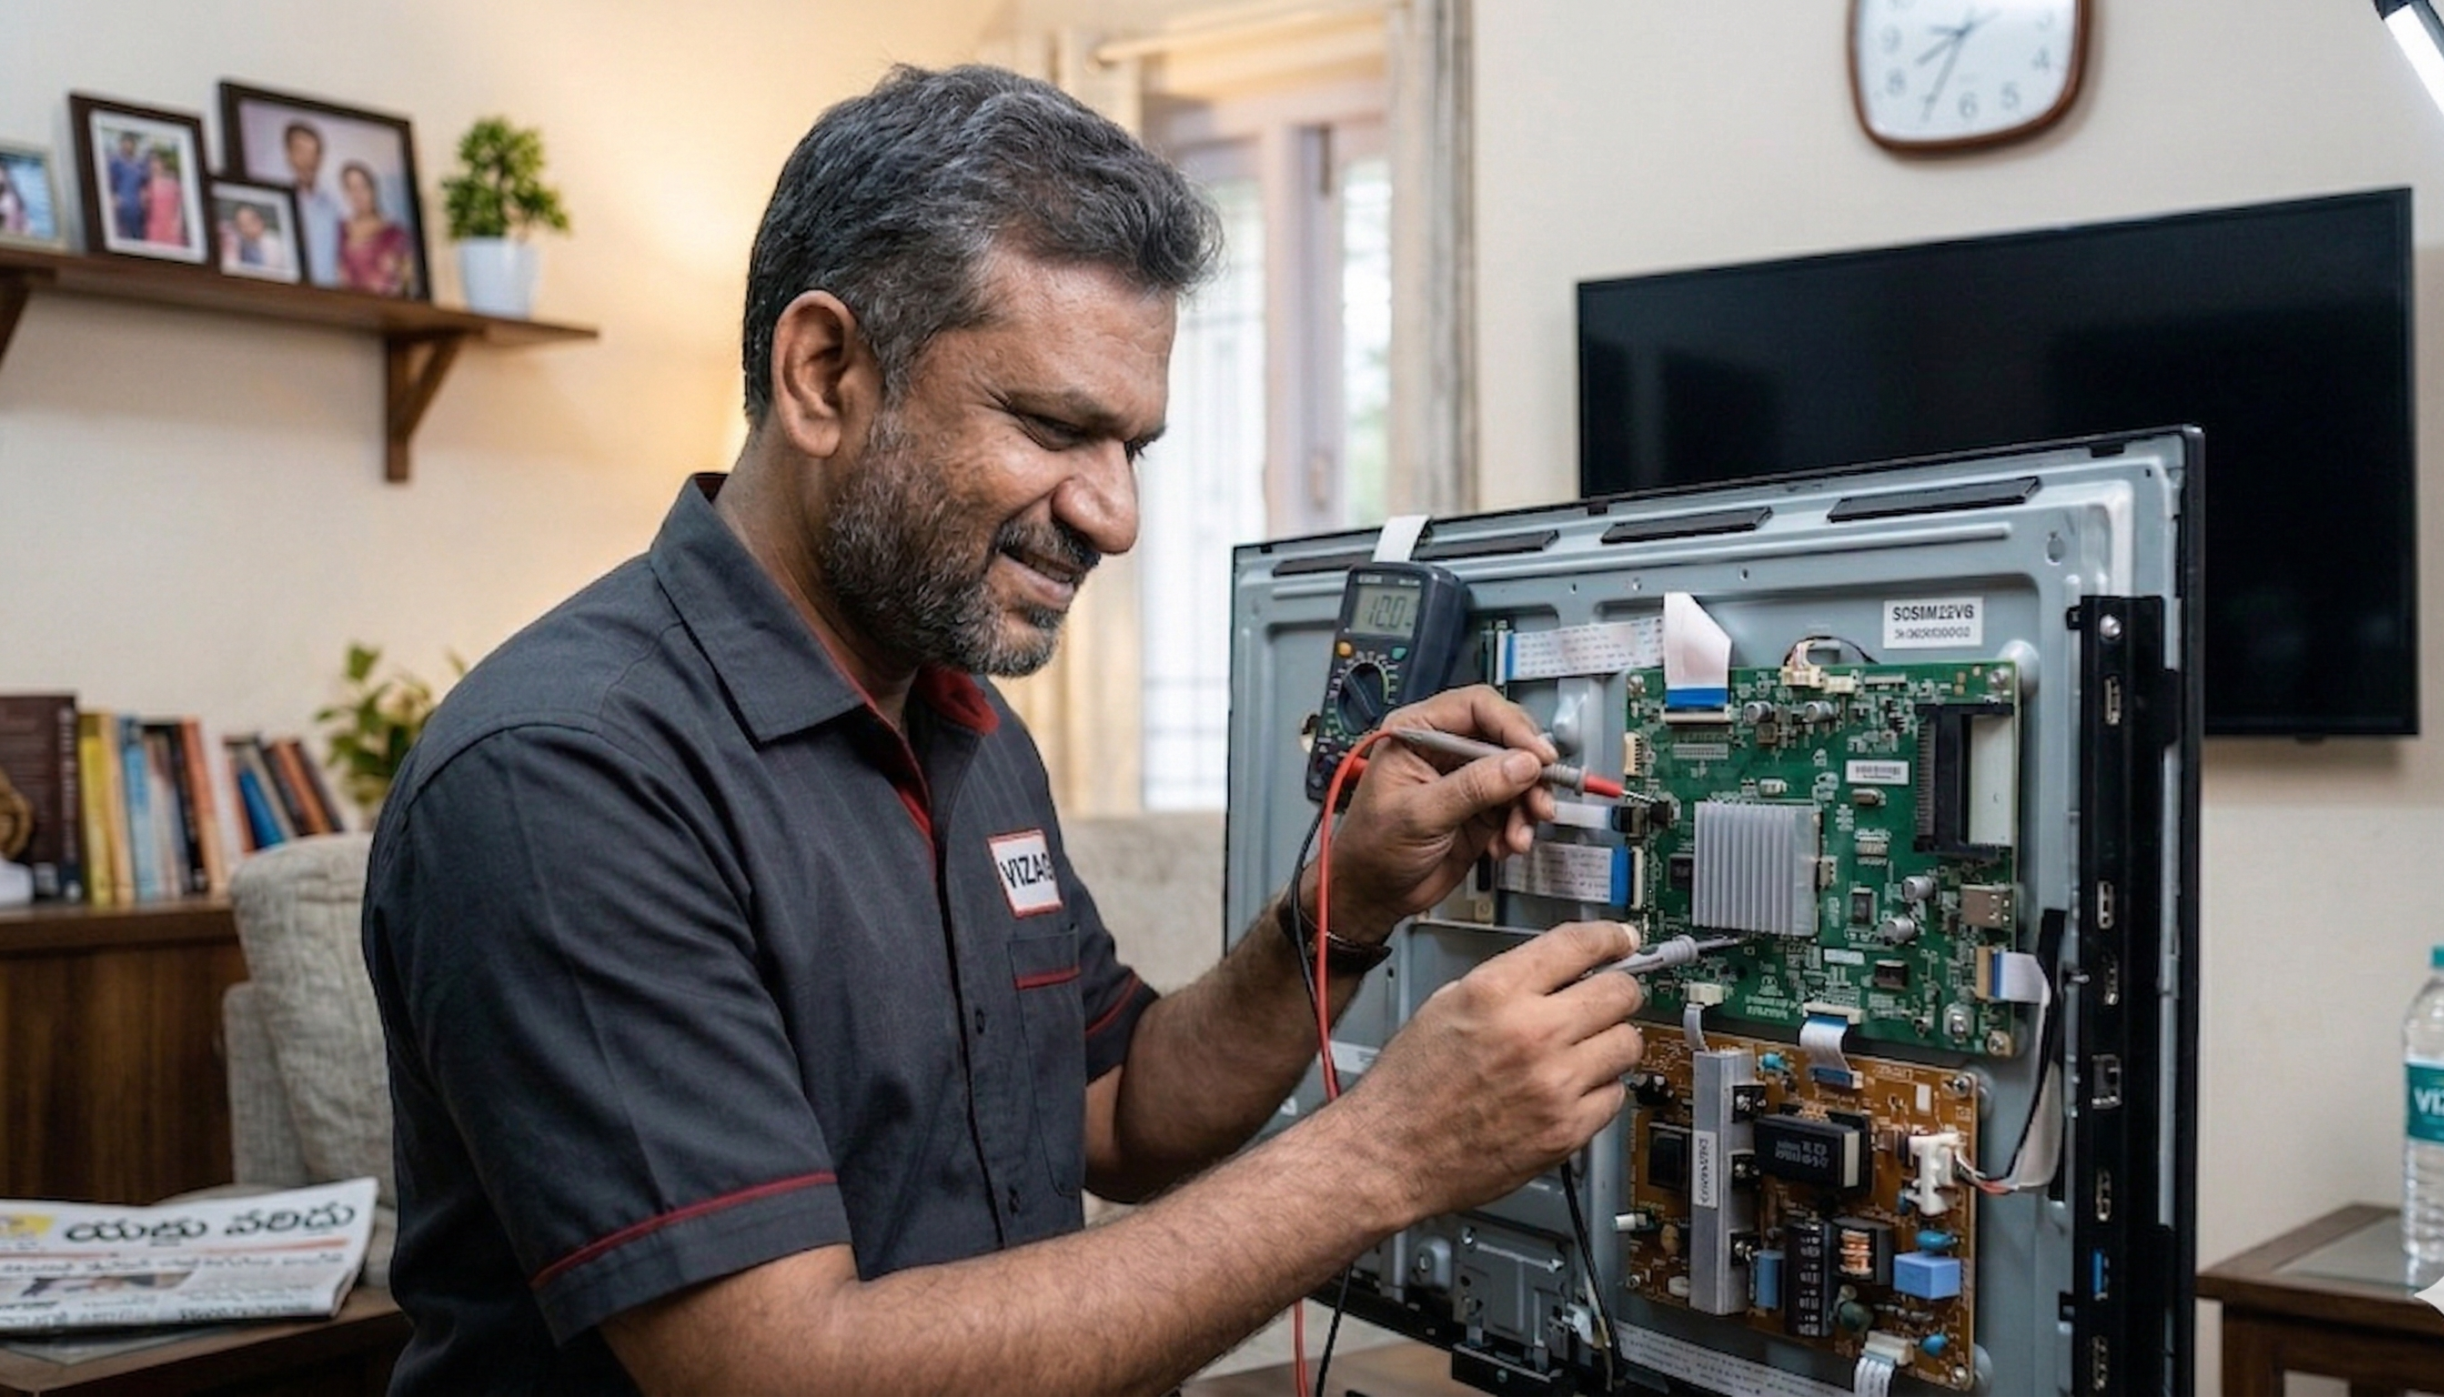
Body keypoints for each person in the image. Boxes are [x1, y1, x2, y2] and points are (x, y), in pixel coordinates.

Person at [363, 64, 1644, 1396]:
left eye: (1133, 447)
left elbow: (1125, 1105)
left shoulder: (957, 711)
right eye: (1050, 424)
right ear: (822, 375)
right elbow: (778, 1371)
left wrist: (1345, 901)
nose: (1115, 514)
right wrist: (1385, 1154)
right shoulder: (562, 776)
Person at [334, 161, 413, 295]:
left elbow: (409, 279)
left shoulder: (395, 233)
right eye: (352, 188)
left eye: (363, 187)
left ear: (373, 188)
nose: (358, 195)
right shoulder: (340, 230)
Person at [280, 121, 341, 288]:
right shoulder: (279, 205)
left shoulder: (334, 209)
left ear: (320, 158)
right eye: (300, 152)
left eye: (312, 153)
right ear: (289, 155)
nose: (308, 162)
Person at [106, 132, 148, 241]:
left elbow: (145, 183)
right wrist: (113, 197)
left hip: (137, 207)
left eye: (130, 143)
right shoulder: (115, 162)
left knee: (138, 235)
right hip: (122, 205)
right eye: (124, 143)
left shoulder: (140, 164)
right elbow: (110, 181)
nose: (127, 146)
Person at [141, 147, 185, 247]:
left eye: (156, 162)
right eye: (151, 163)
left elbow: (179, 205)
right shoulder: (148, 183)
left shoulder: (173, 182)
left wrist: (178, 223)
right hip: (154, 227)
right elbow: (145, 207)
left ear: (163, 163)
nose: (154, 165)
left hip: (171, 228)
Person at [222, 202, 283, 272]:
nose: (246, 229)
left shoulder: (277, 244)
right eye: (241, 225)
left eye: (250, 222)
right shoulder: (231, 244)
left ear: (260, 221)